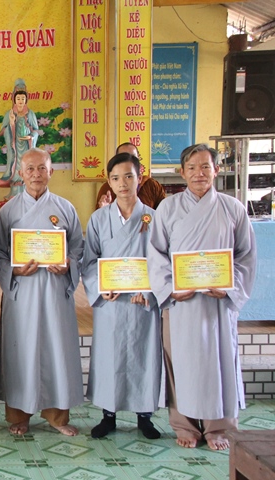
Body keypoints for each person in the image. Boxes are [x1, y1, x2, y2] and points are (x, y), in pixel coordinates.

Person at [148, 143, 256, 451]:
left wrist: (230, 288)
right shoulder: (167, 208)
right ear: (182, 172)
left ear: (216, 170)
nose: (199, 173)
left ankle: (218, 427)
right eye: (192, 168)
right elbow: (155, 253)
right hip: (182, 303)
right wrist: (170, 288)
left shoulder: (233, 208)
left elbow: (246, 255)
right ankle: (185, 426)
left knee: (219, 363)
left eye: (205, 167)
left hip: (218, 303)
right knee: (180, 363)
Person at [0, 148, 83, 436]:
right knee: (21, 350)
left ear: (51, 172)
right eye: (30, 169)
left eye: (42, 168)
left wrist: (68, 264)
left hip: (55, 291)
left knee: (57, 349)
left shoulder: (65, 208)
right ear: (20, 173)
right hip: (23, 292)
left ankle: (57, 416)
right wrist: (15, 270)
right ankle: (19, 415)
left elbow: (78, 248)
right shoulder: (8, 211)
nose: (36, 174)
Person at [81, 152, 162, 440]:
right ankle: (108, 415)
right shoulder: (99, 219)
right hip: (111, 302)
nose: (123, 183)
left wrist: (150, 289)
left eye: (129, 176)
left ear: (140, 178)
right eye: (116, 178)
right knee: (109, 356)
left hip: (143, 303)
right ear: (109, 182)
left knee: (144, 354)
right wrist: (101, 287)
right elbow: (89, 261)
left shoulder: (154, 218)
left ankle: (145, 416)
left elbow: (163, 262)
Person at [0, 79, 39, 199]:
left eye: (23, 98)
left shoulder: (30, 114)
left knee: (27, 165)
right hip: (14, 146)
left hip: (27, 145)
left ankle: (27, 193)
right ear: (14, 99)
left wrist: (31, 137)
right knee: (15, 164)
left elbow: (36, 130)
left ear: (26, 100)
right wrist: (12, 123)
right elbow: (3, 131)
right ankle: (14, 192)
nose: (20, 101)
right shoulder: (9, 114)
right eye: (18, 98)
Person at [96, 143, 166, 210]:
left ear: (139, 178)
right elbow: (99, 214)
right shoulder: (107, 188)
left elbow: (164, 212)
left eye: (133, 157)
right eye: (123, 158)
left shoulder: (152, 186)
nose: (128, 161)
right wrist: (105, 210)